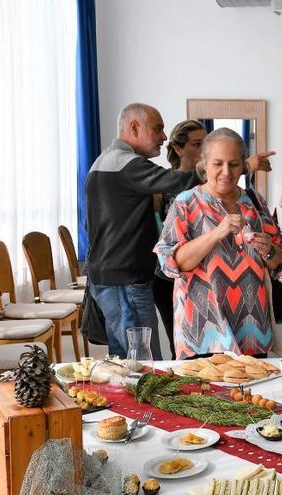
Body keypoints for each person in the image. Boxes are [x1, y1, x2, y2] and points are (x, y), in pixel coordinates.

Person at [155, 128, 282, 359]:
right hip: (202, 336)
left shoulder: (255, 202)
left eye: (234, 164)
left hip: (252, 333)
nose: (226, 172)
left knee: (254, 395)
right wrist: (216, 233)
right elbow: (173, 263)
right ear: (204, 163)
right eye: (218, 163)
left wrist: (269, 250)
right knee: (203, 395)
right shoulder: (186, 203)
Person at [86, 103, 200, 358]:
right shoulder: (126, 164)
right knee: (144, 365)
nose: (163, 137)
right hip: (125, 281)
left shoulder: (104, 162)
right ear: (135, 127)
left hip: (113, 278)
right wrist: (227, 166)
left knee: (125, 361)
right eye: (158, 129)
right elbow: (176, 182)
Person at [153, 119, 207, 359]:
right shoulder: (161, 185)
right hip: (168, 277)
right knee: (181, 347)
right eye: (198, 144)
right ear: (178, 148)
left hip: (204, 276)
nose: (204, 149)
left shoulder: (212, 184)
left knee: (208, 346)